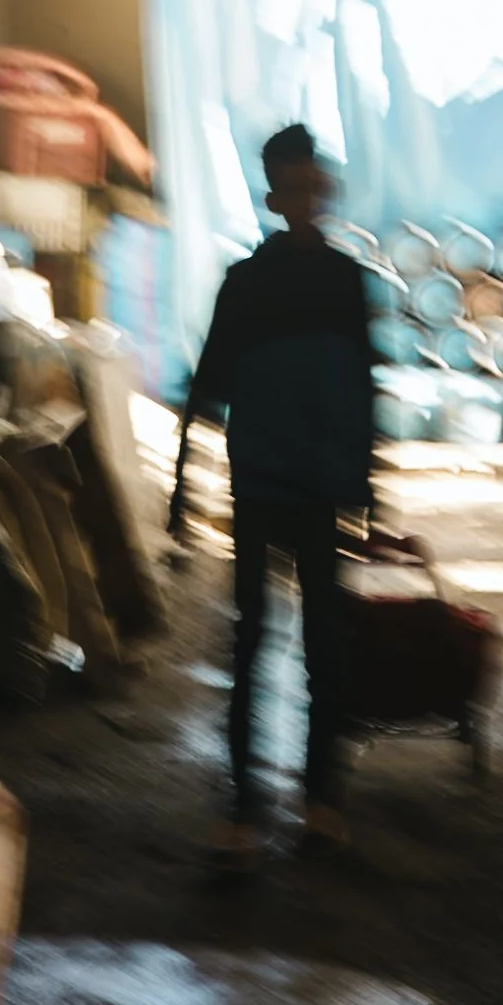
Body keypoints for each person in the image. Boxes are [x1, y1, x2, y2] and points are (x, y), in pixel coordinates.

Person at [168, 123, 375, 864]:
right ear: (273, 197)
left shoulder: (351, 283)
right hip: (260, 487)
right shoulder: (245, 284)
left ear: (325, 192)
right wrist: (182, 490)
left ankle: (324, 800)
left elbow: (363, 391)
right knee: (252, 644)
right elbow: (208, 386)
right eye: (291, 188)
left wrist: (367, 487)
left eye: (313, 186)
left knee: (326, 649)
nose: (305, 199)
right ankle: (245, 808)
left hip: (322, 492)